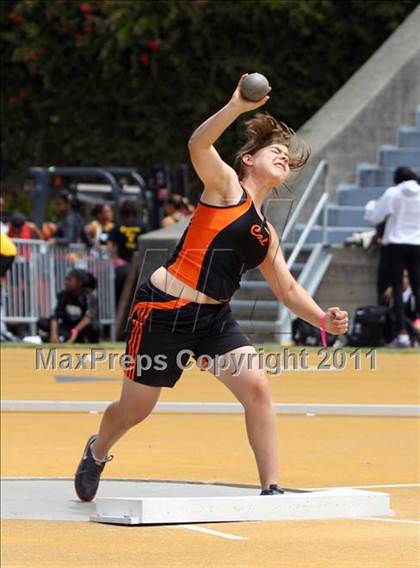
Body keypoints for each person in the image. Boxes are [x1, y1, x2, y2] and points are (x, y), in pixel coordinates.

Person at [74, 74, 348, 501]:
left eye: (286, 155)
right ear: (248, 160)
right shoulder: (225, 189)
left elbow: (289, 290)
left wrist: (324, 319)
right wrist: (237, 106)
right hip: (164, 309)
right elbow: (198, 146)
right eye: (273, 150)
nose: (282, 156)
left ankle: (270, 487)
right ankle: (97, 450)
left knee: (257, 387)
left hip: (213, 318)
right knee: (135, 410)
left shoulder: (265, 232)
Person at [365, 166, 420, 348]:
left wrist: (371, 205)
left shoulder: (394, 192)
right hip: (417, 245)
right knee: (418, 287)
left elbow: (374, 216)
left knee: (396, 288)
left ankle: (402, 334)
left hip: (395, 245)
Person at [37, 268, 100, 343]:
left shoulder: (88, 296)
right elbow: (55, 317)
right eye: (66, 280)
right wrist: (54, 334)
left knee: (94, 327)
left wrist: (75, 332)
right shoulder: (64, 296)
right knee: (42, 322)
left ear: (79, 283)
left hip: (81, 329)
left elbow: (89, 317)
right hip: (68, 327)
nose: (66, 283)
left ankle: (82, 340)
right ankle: (58, 338)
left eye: (69, 280)